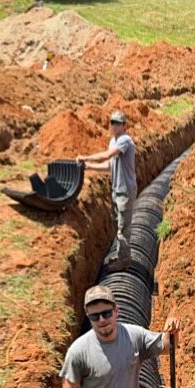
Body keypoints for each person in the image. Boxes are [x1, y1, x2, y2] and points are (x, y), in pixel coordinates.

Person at [77, 110, 136, 271]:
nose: (114, 126)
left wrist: (85, 157)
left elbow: (107, 156)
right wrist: (88, 166)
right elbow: (109, 165)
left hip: (125, 191)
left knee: (123, 228)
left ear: (124, 126)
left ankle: (124, 261)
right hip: (116, 190)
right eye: (112, 123)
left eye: (118, 123)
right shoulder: (113, 142)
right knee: (117, 224)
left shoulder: (125, 141)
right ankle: (120, 255)